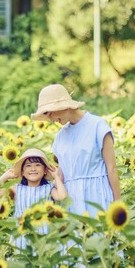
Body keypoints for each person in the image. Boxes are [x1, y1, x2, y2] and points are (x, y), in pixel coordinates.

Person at [30, 84, 122, 216]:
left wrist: (118, 203)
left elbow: (111, 168)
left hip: (97, 196)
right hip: (71, 201)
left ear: (63, 106)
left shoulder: (97, 125)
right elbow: (61, 174)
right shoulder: (61, 136)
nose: (50, 119)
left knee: (99, 235)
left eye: (49, 113)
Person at [0, 148, 68, 250]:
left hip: (44, 238)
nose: (33, 169)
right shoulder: (16, 190)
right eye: (28, 166)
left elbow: (63, 197)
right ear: (22, 172)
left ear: (45, 170)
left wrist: (56, 177)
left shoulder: (49, 188)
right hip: (22, 239)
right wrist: (5, 176)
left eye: (37, 165)